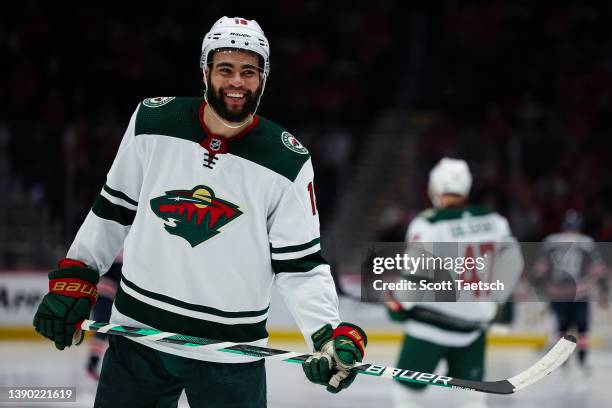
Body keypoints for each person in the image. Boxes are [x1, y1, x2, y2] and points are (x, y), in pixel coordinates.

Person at [33, 16, 367, 407]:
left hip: (232, 351)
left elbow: (300, 265)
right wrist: (78, 273)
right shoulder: (152, 121)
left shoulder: (287, 160)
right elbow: (113, 209)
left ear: (263, 79)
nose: (237, 82)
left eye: (249, 71)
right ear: (205, 71)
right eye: (225, 69)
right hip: (138, 336)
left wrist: (327, 334)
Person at [386, 158, 522, 408]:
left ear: (435, 187)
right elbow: (513, 264)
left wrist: (396, 304)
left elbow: (413, 282)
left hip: (428, 329)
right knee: (471, 398)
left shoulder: (429, 225)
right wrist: (493, 303)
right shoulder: (495, 221)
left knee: (406, 391)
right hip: (472, 329)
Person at [532, 209, 609, 371]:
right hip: (580, 291)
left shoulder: (551, 241)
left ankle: (563, 362)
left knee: (562, 329)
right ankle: (581, 362)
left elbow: (539, 269)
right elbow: (598, 269)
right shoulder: (586, 242)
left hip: (558, 292)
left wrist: (542, 288)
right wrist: (603, 290)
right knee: (582, 330)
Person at [85, 253, 122, 380]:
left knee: (102, 329)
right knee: (102, 328)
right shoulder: (125, 248)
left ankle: (93, 363)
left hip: (102, 291)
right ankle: (92, 363)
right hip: (105, 292)